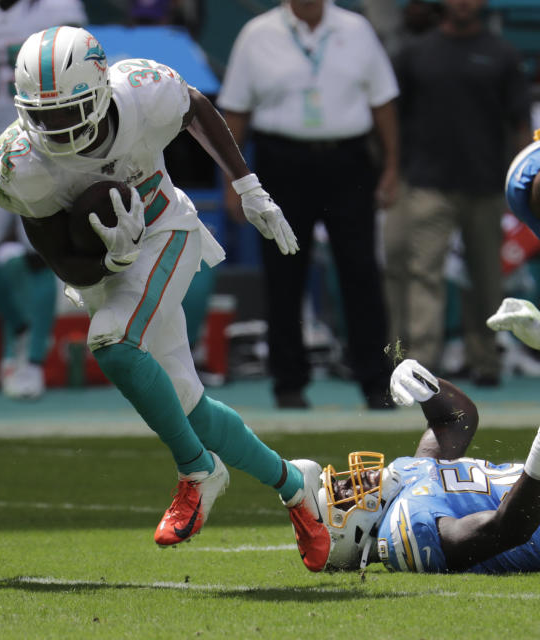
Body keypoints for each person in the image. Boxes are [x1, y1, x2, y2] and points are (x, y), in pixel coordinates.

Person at [0, 25, 327, 554]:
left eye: (67, 111)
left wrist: (247, 186)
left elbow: (195, 107)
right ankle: (295, 487)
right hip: (105, 267)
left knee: (112, 341)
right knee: (189, 407)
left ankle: (197, 471)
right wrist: (111, 257)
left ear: (100, 91)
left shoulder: (142, 91)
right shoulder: (21, 164)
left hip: (166, 229)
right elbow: (62, 261)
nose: (54, 126)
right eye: (42, 114)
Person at [218, 0, 400, 410]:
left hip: (347, 161)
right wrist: (235, 182)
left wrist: (391, 167)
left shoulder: (356, 30)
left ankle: (376, 380)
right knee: (283, 274)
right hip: (281, 162)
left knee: (361, 273)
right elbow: (236, 113)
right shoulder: (257, 35)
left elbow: (383, 103)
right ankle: (288, 383)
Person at [290, 317, 540, 573]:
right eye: (343, 494)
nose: (354, 479)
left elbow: (456, 420)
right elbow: (508, 529)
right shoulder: (405, 529)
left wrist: (429, 389)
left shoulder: (404, 481)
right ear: (349, 530)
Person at [383, 0, 531, 388]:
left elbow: (520, 122)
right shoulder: (416, 53)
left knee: (486, 279)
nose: (463, 3)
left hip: (485, 186)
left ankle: (485, 361)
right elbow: (392, 117)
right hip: (428, 184)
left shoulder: (501, 54)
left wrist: (522, 186)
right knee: (424, 275)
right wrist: (394, 169)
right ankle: (421, 369)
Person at [0, 0, 86, 399]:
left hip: (45, 148)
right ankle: (23, 323)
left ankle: (31, 364)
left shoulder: (59, 10)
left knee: (38, 255)